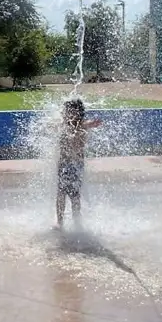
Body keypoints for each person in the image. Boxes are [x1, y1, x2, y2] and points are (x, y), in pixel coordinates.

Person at [56, 97, 102, 228]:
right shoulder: (63, 125)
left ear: (78, 113)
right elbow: (51, 126)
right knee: (61, 193)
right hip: (63, 164)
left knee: (74, 194)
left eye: (71, 111)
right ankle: (60, 222)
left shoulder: (81, 126)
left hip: (76, 165)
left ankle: (77, 221)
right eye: (66, 111)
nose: (68, 114)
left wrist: (93, 124)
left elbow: (87, 124)